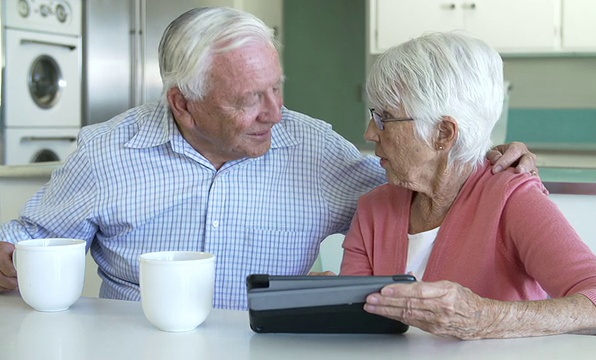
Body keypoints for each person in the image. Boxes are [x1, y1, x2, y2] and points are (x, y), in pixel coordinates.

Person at [0, 7, 536, 310]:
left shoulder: (313, 149)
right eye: (249, 99)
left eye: (277, 89)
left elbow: (420, 189)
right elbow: (30, 239)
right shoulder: (107, 153)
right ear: (183, 104)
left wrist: (483, 159)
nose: (276, 114)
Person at [338, 31, 596, 338]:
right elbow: (353, 324)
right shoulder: (375, 208)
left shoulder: (510, 197)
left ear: (443, 133)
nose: (370, 132)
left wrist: (488, 317)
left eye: (386, 117)